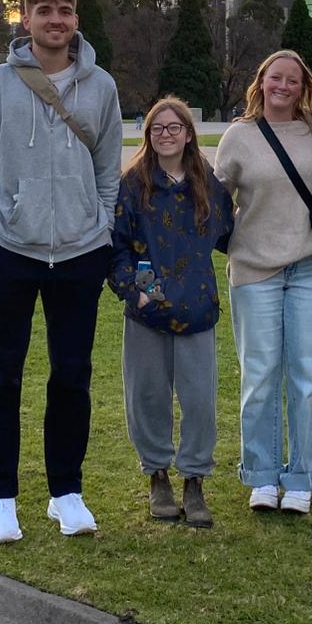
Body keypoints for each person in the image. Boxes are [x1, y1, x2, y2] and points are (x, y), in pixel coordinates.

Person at [0, 0, 124, 545]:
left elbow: (109, 169)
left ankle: (66, 493)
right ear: (25, 19)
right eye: (44, 10)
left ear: (76, 20)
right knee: (0, 378)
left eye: (65, 11)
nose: (56, 20)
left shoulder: (100, 85)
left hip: (80, 252)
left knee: (72, 376)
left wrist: (101, 229)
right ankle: (0, 499)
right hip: (9, 250)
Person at [212, 49, 312, 515]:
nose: (283, 87)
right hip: (254, 270)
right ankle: (262, 476)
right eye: (275, 78)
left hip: (311, 266)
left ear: (304, 86)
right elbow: (214, 200)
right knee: (260, 375)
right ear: (261, 82)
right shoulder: (239, 136)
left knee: (309, 376)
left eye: (292, 80)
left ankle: (302, 477)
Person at [108, 97, 234, 528]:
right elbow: (118, 246)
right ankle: (157, 474)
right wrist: (140, 292)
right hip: (149, 309)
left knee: (199, 401)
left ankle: (194, 480)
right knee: (148, 396)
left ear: (187, 133)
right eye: (157, 128)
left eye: (173, 127)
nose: (165, 134)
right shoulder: (134, 184)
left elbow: (228, 235)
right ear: (148, 134)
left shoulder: (208, 183)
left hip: (197, 308)